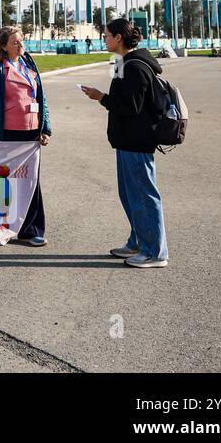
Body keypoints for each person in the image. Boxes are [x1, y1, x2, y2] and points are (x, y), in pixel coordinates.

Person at [79, 18, 169, 268]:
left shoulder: (135, 67)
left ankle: (155, 252)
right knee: (130, 195)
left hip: (137, 142)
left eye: (107, 35)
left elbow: (131, 106)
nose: (104, 39)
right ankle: (138, 241)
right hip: (127, 141)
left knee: (143, 195)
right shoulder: (123, 63)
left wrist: (101, 98)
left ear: (119, 38)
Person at [0, 26, 50, 246]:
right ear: (3, 46)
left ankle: (30, 230)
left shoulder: (28, 63)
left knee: (30, 182)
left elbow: (42, 98)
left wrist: (46, 128)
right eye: (15, 42)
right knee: (2, 182)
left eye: (22, 41)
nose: (20, 45)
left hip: (30, 135)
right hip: (4, 134)